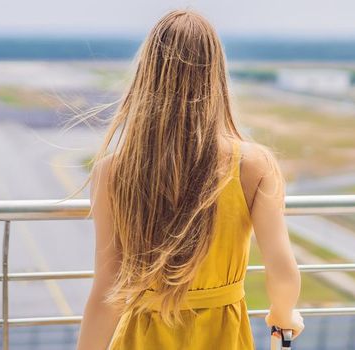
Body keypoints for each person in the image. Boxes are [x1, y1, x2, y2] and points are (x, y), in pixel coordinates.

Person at [74, 9, 304, 350]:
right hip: (223, 336)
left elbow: (108, 289)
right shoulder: (253, 165)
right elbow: (282, 270)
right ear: (216, 76)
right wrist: (284, 316)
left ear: (147, 76)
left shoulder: (113, 171)